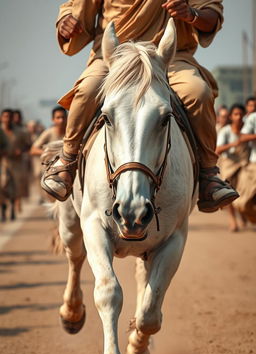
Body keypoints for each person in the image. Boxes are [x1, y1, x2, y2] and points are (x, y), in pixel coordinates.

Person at [41, 0, 238, 213]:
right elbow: (76, 10)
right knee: (87, 91)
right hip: (114, 56)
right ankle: (67, 161)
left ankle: (209, 173)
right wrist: (65, 24)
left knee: (198, 92)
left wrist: (192, 14)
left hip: (168, 57)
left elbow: (211, 16)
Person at [216, 104, 249, 231]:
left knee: (243, 192)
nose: (238, 117)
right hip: (229, 166)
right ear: (231, 116)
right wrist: (234, 144)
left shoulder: (248, 129)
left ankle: (242, 212)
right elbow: (218, 149)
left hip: (244, 165)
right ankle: (233, 220)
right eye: (236, 114)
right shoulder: (225, 131)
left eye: (241, 114)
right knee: (229, 193)